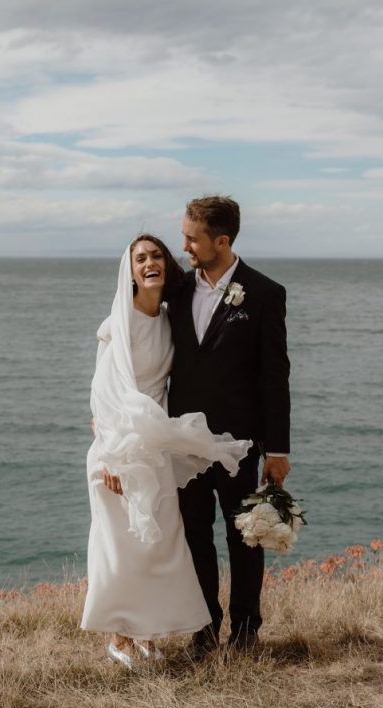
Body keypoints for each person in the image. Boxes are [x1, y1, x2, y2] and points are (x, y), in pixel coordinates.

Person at [81, 235, 251, 668]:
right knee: (122, 546)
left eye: (156, 255)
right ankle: (120, 635)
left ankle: (148, 635)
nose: (150, 262)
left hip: (154, 449)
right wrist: (112, 459)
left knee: (157, 546)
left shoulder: (169, 318)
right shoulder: (117, 323)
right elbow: (102, 397)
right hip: (118, 452)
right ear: (130, 270)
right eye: (140, 258)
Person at [167, 195, 291, 657]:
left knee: (244, 536)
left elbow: (275, 378)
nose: (184, 246)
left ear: (221, 241)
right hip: (184, 439)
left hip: (238, 442)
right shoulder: (177, 291)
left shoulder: (263, 293)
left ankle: (244, 630)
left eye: (192, 239)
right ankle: (203, 627)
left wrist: (278, 450)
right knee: (194, 533)